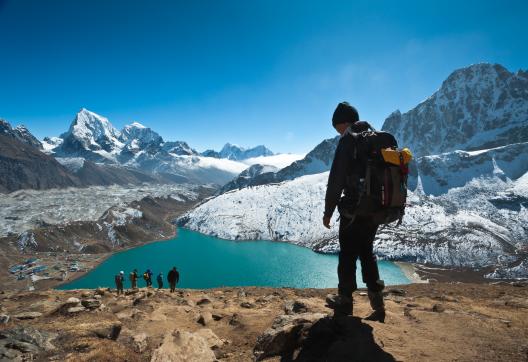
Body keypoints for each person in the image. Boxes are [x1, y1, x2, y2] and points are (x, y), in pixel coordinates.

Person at [323, 102, 386, 322]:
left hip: (354, 210)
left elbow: (336, 180)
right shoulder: (376, 139)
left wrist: (328, 212)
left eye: (337, 127)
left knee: (348, 254)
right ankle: (378, 304)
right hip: (376, 209)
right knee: (367, 252)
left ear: (344, 122)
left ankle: (345, 304)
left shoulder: (349, 141)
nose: (337, 132)